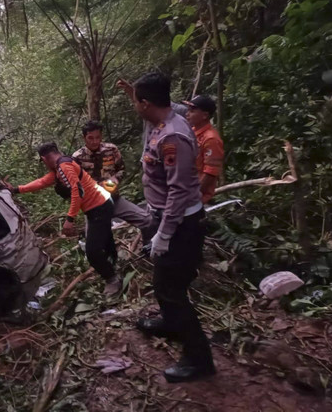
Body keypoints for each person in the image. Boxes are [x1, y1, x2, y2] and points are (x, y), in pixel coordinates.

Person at [125, 72, 215, 383]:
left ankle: (198, 359)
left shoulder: (172, 136)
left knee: (171, 289)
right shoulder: (165, 118)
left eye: (136, 101)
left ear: (146, 104)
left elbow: (178, 191)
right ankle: (169, 322)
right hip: (164, 216)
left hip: (180, 224)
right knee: (163, 282)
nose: (135, 106)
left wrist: (164, 233)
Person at [4, 142, 123, 295]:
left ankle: (112, 279)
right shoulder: (61, 166)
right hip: (101, 203)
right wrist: (16, 189)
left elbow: (76, 192)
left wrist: (70, 219)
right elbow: (42, 182)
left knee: (92, 251)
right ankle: (116, 266)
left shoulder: (64, 167)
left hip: (99, 206)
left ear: (44, 158)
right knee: (106, 241)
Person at [73, 120, 157, 242]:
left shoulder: (111, 149)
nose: (95, 141)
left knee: (147, 221)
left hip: (114, 199)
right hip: (94, 206)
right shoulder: (77, 157)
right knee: (93, 242)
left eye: (98, 137)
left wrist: (115, 179)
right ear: (84, 137)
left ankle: (148, 248)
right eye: (90, 138)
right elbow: (76, 184)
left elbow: (121, 169)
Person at [183, 95, 224, 204]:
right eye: (188, 110)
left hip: (194, 197)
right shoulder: (191, 131)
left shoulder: (211, 139)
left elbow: (210, 172)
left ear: (205, 115)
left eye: (192, 111)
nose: (187, 114)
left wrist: (193, 194)